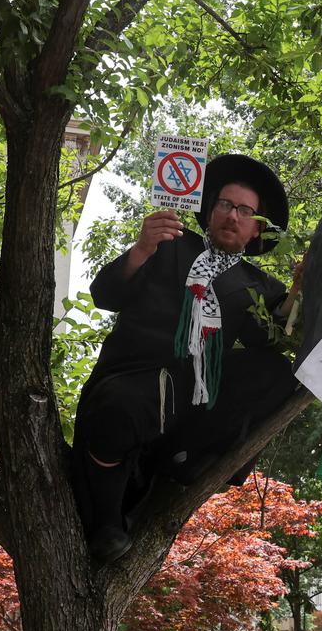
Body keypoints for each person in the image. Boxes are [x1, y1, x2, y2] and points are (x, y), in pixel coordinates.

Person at [71, 155, 299, 563]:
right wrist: (142, 248)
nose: (233, 216)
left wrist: (300, 290)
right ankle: (107, 523)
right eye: (225, 205)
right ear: (209, 210)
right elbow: (106, 295)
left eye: (246, 211)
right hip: (132, 380)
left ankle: (189, 456)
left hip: (196, 397)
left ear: (257, 228)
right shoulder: (169, 246)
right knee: (117, 411)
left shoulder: (260, 286)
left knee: (277, 371)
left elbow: (271, 339)